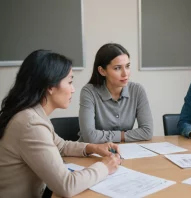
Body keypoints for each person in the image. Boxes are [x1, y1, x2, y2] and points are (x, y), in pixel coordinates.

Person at [0, 50, 122, 197]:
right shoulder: (30, 124)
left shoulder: (33, 114)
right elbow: (67, 185)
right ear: (50, 86)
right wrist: (105, 166)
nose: (73, 89)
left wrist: (94, 147)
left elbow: (61, 146)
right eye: (69, 82)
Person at [79, 43, 153, 143]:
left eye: (127, 66)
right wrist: (125, 135)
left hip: (124, 151)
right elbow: (90, 137)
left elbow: (147, 132)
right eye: (117, 68)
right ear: (102, 71)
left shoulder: (137, 90)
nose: (125, 73)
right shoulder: (89, 92)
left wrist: (103, 136)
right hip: (93, 153)